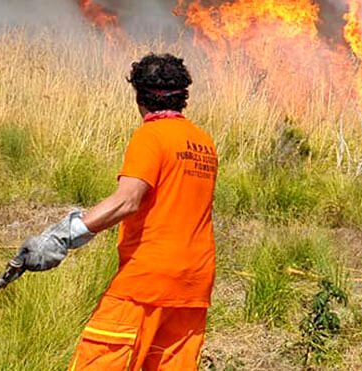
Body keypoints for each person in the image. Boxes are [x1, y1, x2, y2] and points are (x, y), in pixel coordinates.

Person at [17, 54, 217, 370]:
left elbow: (128, 200)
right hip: (194, 286)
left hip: (145, 283)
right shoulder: (203, 142)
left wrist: (62, 237)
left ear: (139, 96)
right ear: (184, 96)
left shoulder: (151, 135)